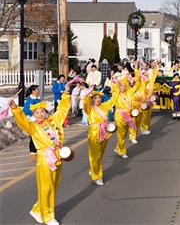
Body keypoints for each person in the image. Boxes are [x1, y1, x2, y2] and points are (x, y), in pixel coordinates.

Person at [8, 83, 71, 225]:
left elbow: (61, 110)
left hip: (58, 156)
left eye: (42, 111)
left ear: (45, 112)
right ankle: (47, 216)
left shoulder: (53, 121)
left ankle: (37, 209)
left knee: (54, 185)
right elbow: (23, 121)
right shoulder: (33, 127)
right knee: (46, 187)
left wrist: (66, 94)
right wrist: (15, 109)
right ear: (34, 115)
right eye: (37, 113)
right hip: (44, 159)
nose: (40, 114)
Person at [83, 85, 119, 185]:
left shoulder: (104, 106)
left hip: (105, 133)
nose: (98, 99)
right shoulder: (89, 109)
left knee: (100, 154)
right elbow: (85, 102)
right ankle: (97, 176)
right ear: (92, 99)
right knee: (96, 155)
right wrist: (87, 94)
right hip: (94, 134)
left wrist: (116, 87)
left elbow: (113, 100)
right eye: (95, 98)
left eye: (99, 98)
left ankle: (93, 169)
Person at [113, 68, 141, 159]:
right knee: (121, 134)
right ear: (119, 86)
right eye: (122, 86)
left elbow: (137, 85)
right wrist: (114, 78)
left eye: (125, 86)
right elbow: (114, 83)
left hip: (128, 115)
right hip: (119, 116)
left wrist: (138, 75)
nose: (123, 87)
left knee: (124, 134)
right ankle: (122, 151)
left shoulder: (129, 92)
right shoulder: (116, 93)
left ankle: (118, 148)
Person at [23, 85, 41, 158]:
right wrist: (34, 115)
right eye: (37, 90)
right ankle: (33, 151)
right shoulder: (30, 100)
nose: (38, 91)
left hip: (39, 120)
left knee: (39, 135)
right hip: (33, 121)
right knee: (34, 136)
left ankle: (37, 149)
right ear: (33, 91)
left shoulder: (37, 99)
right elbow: (26, 110)